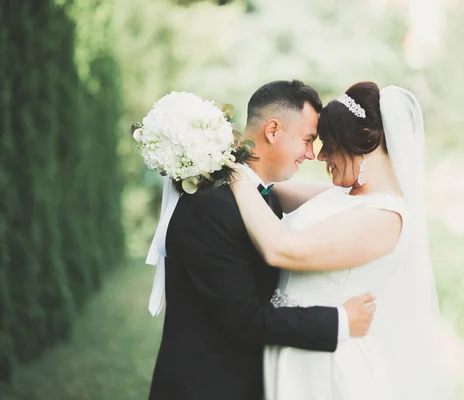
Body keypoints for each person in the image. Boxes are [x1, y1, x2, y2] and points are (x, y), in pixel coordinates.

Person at [146, 80, 376, 400]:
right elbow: (244, 318)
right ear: (272, 130)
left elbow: (338, 199)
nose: (311, 154)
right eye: (308, 140)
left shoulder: (257, 194)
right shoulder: (212, 205)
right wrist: (340, 321)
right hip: (206, 387)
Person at [230, 82, 449, 399]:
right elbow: (268, 187)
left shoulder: (385, 218)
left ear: (362, 147)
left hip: (327, 365)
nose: (320, 156)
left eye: (329, 145)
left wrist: (232, 174)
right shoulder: (344, 196)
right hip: (295, 348)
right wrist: (223, 155)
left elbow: (282, 251)